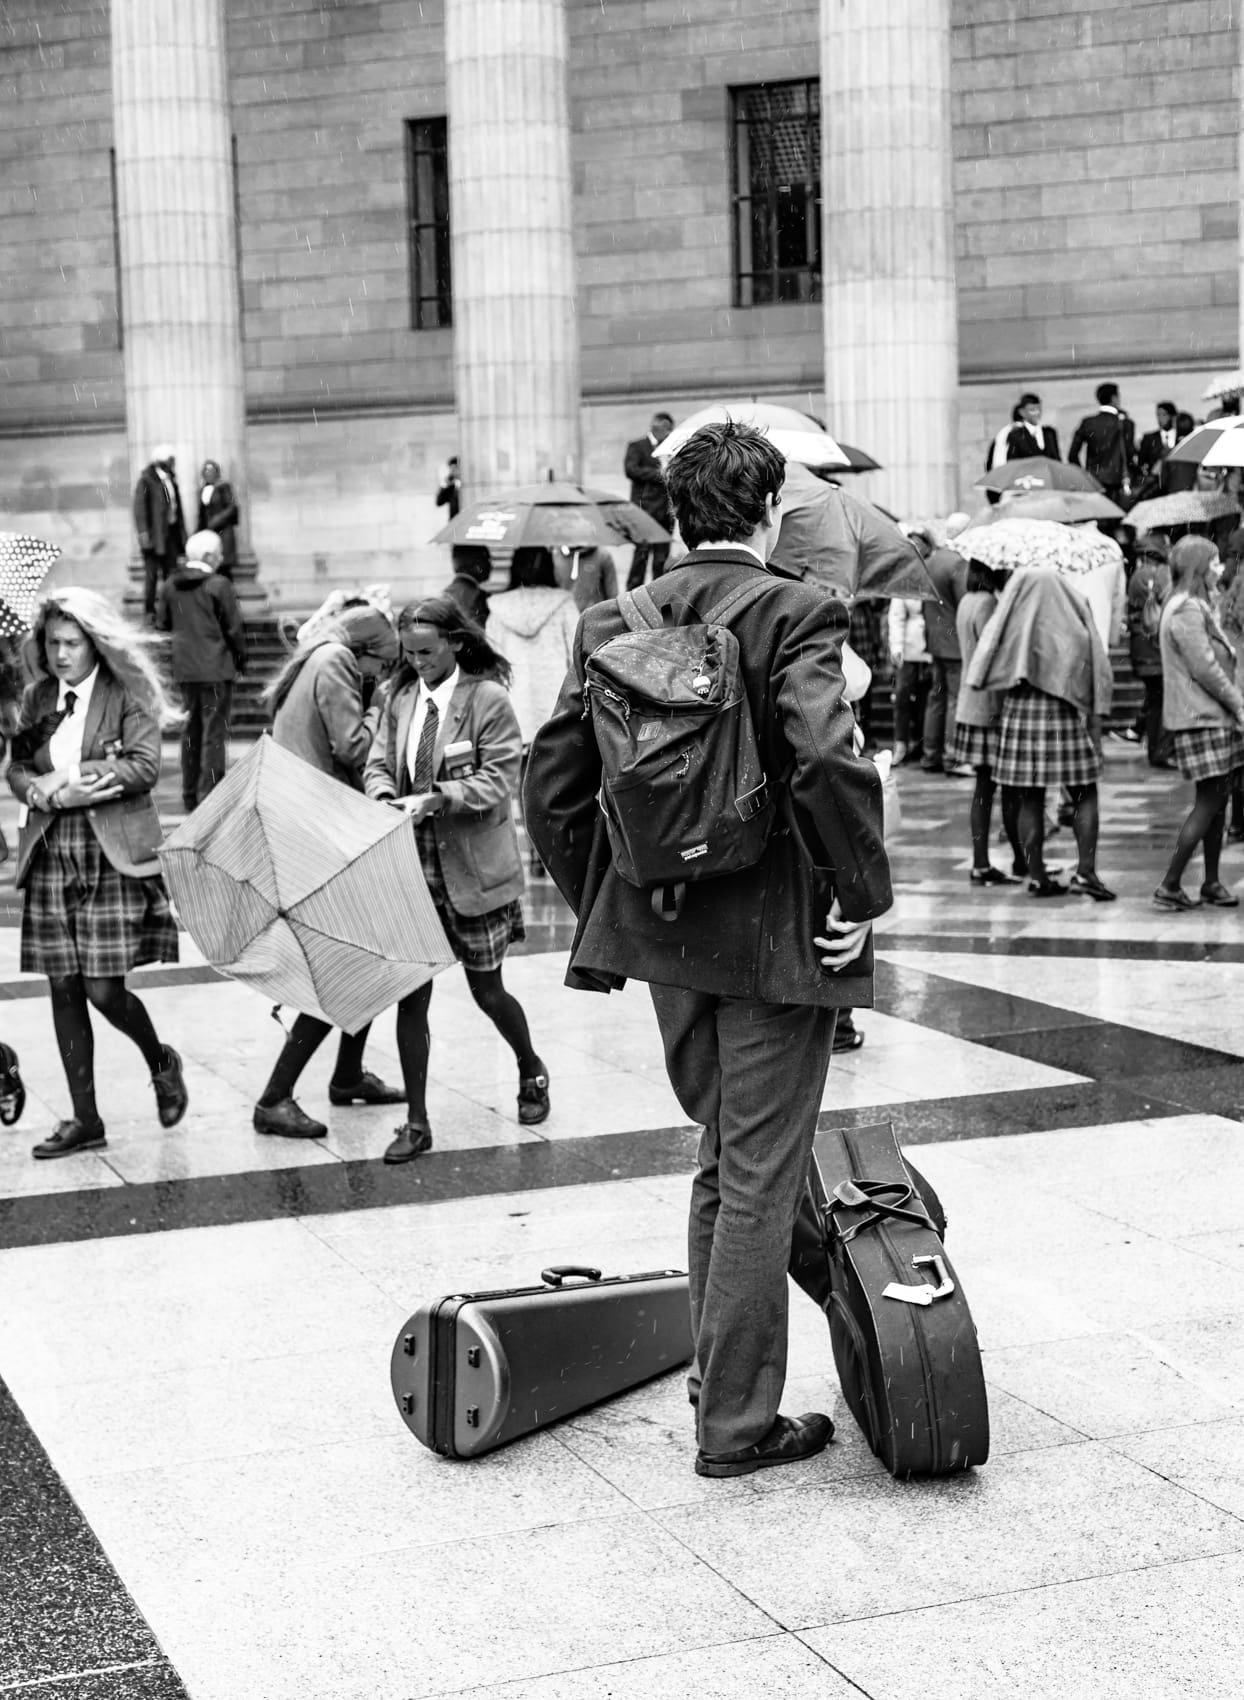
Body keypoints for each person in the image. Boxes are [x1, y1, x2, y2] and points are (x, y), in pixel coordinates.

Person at [524, 420, 892, 1480]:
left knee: (720, 1156)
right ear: (772, 511)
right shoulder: (797, 609)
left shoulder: (615, 616)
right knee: (761, 1173)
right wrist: (860, 894)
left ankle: (713, 1381)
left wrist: (615, 896)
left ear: (673, 513)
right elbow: (824, 757)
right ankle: (735, 1423)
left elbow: (550, 788)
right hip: (779, 934)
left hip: (664, 931)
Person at [364, 595, 550, 1162]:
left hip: (472, 866)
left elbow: (499, 779)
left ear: (455, 644)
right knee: (410, 997)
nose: (416, 661)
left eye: (426, 651)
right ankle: (416, 1123)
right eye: (409, 652)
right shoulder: (398, 698)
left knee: (486, 990)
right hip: (411, 864)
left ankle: (530, 1066)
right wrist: (381, 794)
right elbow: (376, 762)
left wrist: (438, 798)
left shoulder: (487, 700)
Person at [7, 590, 188, 1158]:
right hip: (52, 848)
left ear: (95, 643)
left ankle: (160, 1059)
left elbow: (142, 766)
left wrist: (73, 776)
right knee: (63, 987)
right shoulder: (38, 700)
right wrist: (42, 791)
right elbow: (16, 766)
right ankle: (85, 1119)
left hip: (110, 852)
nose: (60, 654)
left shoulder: (124, 694)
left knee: (104, 990)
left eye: (72, 643)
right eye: (53, 643)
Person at [251, 605, 405, 1138]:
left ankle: (346, 1076)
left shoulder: (316, 658)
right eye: (384, 667)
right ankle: (274, 1098)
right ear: (368, 653)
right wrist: (382, 706)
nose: (382, 678)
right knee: (346, 967)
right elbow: (353, 746)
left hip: (306, 824)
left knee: (365, 960)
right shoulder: (336, 659)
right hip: (317, 832)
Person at [969, 571, 1115, 900]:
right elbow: (1091, 666)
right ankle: (1086, 871)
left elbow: (992, 661)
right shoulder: (1073, 617)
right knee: (1084, 791)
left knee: (1029, 796)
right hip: (1063, 713)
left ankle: (1037, 875)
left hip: (1020, 712)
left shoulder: (1012, 616)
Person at [1153, 536, 1244, 911]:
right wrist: (1239, 706)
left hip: (1205, 717)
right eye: (1215, 562)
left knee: (1217, 800)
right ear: (1199, 567)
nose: (1220, 568)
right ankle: (1171, 883)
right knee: (1209, 802)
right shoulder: (1186, 608)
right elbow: (1205, 667)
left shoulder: (1190, 604)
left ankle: (1210, 880)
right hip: (1202, 718)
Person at [156, 530, 247, 814]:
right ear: (208, 556)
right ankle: (210, 795)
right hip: (216, 668)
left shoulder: (170, 586)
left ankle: (189, 793)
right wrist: (241, 661)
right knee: (213, 734)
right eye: (219, 554)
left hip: (186, 669)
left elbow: (163, 625)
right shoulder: (219, 585)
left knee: (191, 733)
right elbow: (234, 629)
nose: (221, 559)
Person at [951, 559, 1024, 883]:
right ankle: (1018, 859)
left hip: (970, 704)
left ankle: (982, 861)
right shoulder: (990, 604)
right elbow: (994, 654)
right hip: (990, 707)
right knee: (1007, 788)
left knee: (983, 788)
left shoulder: (967, 601)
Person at [483, 548, 580, 752]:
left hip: (515, 705)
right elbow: (577, 652)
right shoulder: (563, 603)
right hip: (557, 703)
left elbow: (493, 663)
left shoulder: (498, 609)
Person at [914, 529, 969, 774]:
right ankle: (952, 756)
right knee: (955, 700)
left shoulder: (931, 562)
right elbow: (964, 603)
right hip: (954, 643)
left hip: (935, 640)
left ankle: (931, 755)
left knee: (936, 700)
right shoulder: (956, 562)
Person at [1126, 534, 1174, 768]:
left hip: (1143, 646)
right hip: (1153, 648)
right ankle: (1160, 751)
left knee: (1156, 699)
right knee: (1160, 700)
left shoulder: (1138, 575)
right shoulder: (1154, 575)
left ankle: (1155, 747)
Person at [133, 445, 187, 622]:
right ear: (162, 462)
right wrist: (144, 535)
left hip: (170, 535)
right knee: (151, 575)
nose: (173, 464)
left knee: (170, 573)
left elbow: (176, 508)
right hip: (154, 537)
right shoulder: (147, 480)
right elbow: (140, 509)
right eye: (171, 460)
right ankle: (149, 610)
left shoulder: (170, 480)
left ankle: (169, 610)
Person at [624, 411, 675, 588]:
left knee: (661, 558)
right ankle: (631, 593)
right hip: (644, 510)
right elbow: (631, 470)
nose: (668, 433)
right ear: (655, 425)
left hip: (665, 512)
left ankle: (659, 593)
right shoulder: (637, 446)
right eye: (665, 428)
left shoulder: (671, 450)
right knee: (641, 555)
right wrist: (659, 474)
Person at [1068, 382, 1136, 506]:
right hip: (1118, 481)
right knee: (1118, 518)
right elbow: (1130, 453)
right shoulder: (1126, 423)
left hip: (1093, 481)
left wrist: (1084, 476)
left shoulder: (1088, 422)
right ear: (1114, 398)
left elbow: (1072, 454)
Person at [887, 594, 931, 766]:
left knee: (925, 699)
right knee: (902, 697)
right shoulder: (905, 585)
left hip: (931, 646)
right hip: (908, 648)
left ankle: (923, 744)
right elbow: (896, 616)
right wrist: (896, 646)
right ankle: (901, 743)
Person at [196, 459, 239, 577]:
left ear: (216, 472)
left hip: (223, 531)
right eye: (206, 470)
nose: (208, 473)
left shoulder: (223, 487)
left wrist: (216, 520)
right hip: (209, 533)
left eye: (211, 470)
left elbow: (231, 507)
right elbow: (202, 513)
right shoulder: (202, 490)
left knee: (223, 566)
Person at [555, 544, 617, 613]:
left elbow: (612, 595)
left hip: (594, 617)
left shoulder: (603, 555)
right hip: (563, 616)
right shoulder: (555, 555)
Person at [444, 544, 492, 628]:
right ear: (477, 565)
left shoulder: (447, 594)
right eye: (487, 559)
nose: (491, 565)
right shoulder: (477, 597)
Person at [1003, 393, 1060, 463]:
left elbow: (1057, 459)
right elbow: (1012, 462)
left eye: (1039, 409)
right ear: (1022, 412)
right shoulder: (1016, 435)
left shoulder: (1050, 433)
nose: (1037, 413)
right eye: (1032, 410)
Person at [1137, 403, 1179, 486]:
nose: (1160, 418)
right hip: (1154, 484)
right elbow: (1141, 462)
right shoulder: (1148, 438)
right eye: (1158, 415)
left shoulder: (1181, 438)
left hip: (1176, 482)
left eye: (1164, 414)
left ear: (1172, 416)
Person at [435, 456, 462, 520]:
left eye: (456, 468)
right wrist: (447, 484)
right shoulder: (450, 485)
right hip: (454, 521)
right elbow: (439, 502)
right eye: (451, 469)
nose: (453, 471)